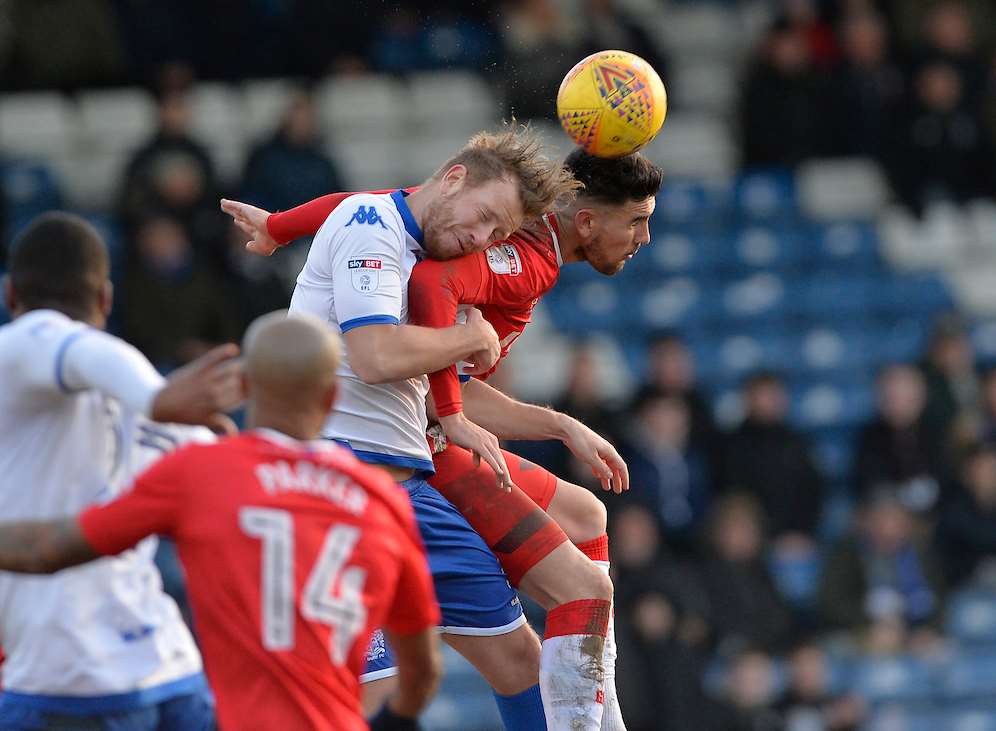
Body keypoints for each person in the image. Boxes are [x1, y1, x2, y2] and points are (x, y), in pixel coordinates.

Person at [223, 146, 662, 730]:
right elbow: (376, 355)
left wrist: (278, 227)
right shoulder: (379, 232)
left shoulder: (411, 233)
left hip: (414, 484)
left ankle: (594, 711)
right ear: (454, 179)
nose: (482, 240)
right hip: (344, 489)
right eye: (484, 218)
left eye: (498, 230)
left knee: (525, 659)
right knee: (369, 696)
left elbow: (350, 209)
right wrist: (468, 347)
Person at [0, 312, 443, 731]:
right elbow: (422, 671)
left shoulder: (201, 473)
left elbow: (47, 550)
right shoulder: (383, 501)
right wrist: (398, 718)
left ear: (245, 387)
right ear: (331, 397)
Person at [0, 212, 241, 729]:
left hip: (66, 676)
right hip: (169, 670)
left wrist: (158, 397)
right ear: (105, 299)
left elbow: (68, 344)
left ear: (11, 296)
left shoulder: (21, 346)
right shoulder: (139, 393)